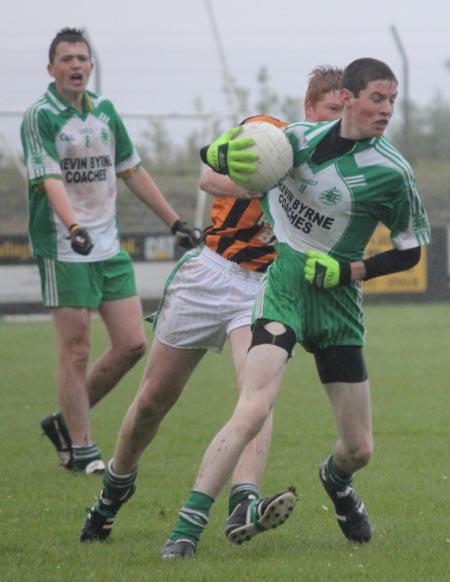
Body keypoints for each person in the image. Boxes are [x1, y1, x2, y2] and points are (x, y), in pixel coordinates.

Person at [158, 58, 431, 557]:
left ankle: (336, 480)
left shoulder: (392, 172)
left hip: (338, 303)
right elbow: (230, 163)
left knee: (359, 448)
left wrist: (348, 270)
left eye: (392, 100)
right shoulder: (294, 142)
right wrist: (218, 151)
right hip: (283, 285)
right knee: (253, 408)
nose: (386, 110)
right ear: (346, 98)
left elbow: (412, 250)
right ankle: (185, 531)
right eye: (377, 98)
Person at [78, 68, 344, 545]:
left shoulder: (340, 177)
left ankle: (243, 500)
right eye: (331, 111)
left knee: (256, 398)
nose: (339, 121)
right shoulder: (267, 134)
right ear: (310, 109)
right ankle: (113, 490)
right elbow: (207, 177)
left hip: (264, 287)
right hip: (212, 273)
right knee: (152, 403)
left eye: (346, 113)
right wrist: (269, 182)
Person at [20, 28, 202, 475]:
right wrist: (74, 225)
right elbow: (49, 179)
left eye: (82, 58)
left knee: (132, 344)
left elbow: (132, 171)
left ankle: (63, 423)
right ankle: (82, 448)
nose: (76, 65)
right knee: (77, 349)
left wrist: (175, 222)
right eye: (67, 59)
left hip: (107, 245)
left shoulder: (104, 113)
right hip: (64, 246)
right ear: (51, 69)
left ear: (91, 66)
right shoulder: (40, 116)